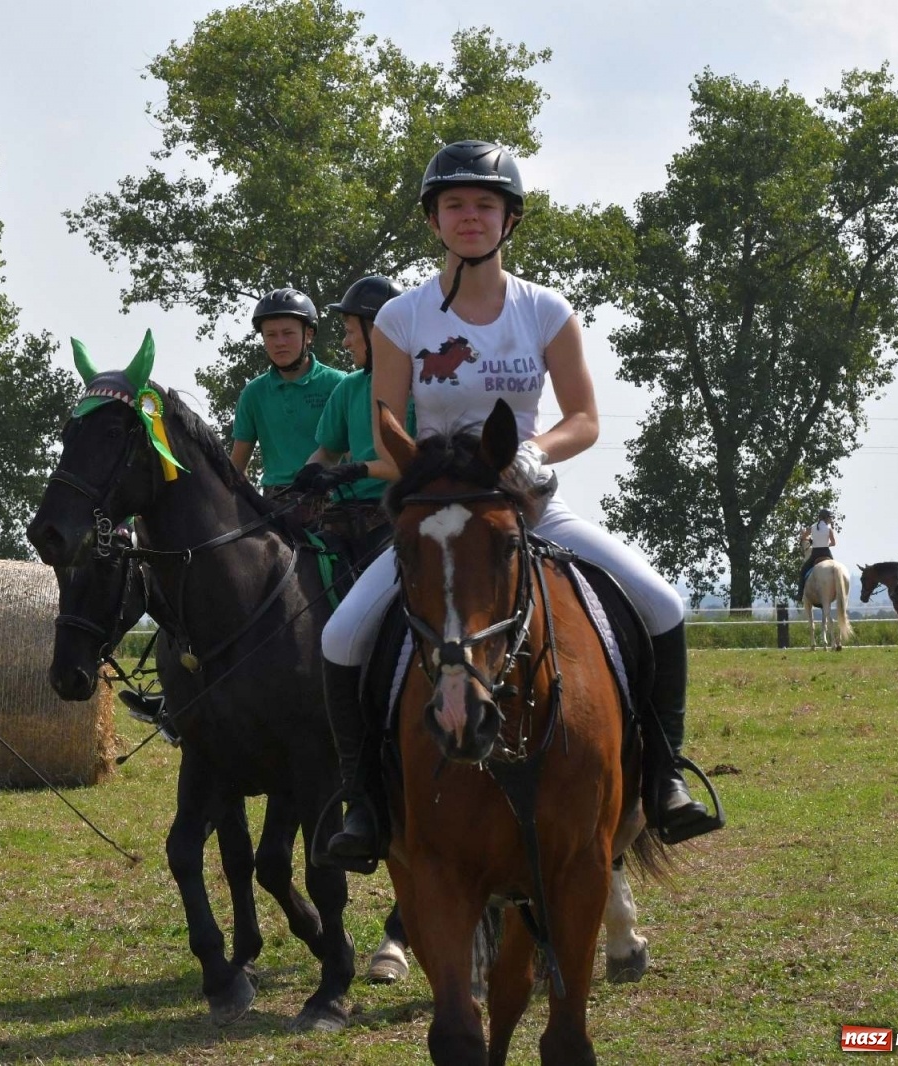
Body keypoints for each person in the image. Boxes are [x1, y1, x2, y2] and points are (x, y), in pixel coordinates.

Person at [317, 140, 722, 870]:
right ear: (434, 219)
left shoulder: (544, 309)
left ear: (509, 219)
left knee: (662, 605)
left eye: (484, 205)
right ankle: (364, 805)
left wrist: (536, 452)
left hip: (528, 505)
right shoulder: (401, 319)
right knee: (341, 637)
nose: (469, 217)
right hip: (441, 519)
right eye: (455, 205)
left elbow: (585, 417)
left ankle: (662, 782)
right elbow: (387, 425)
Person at [289, 275, 410, 546]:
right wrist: (311, 471)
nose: (345, 342)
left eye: (350, 331)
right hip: (345, 516)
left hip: (400, 515)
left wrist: (353, 470)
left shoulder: (423, 389)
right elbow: (328, 451)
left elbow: (414, 466)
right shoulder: (349, 387)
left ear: (377, 331)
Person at [230, 287, 345, 495]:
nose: (279, 342)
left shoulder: (339, 383)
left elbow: (353, 454)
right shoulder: (253, 393)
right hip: (275, 503)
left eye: (288, 333)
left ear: (308, 334)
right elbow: (236, 467)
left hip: (332, 501)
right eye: (271, 335)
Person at [797, 508, 837, 602]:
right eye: (829, 518)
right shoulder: (829, 529)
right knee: (836, 570)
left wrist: (811, 540)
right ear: (826, 518)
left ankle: (800, 594)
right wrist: (826, 544)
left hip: (815, 553)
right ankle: (839, 591)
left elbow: (803, 537)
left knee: (803, 572)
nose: (830, 520)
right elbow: (834, 543)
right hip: (826, 552)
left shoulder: (812, 527)